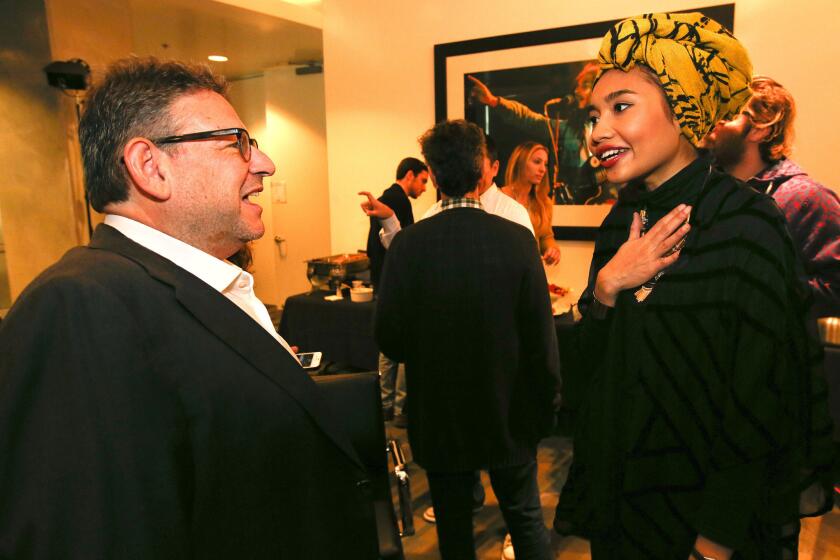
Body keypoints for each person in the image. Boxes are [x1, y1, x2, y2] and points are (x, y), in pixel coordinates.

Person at [0, 57, 378, 559]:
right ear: (150, 166)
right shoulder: (81, 305)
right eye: (237, 143)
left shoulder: (198, 288)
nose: (265, 164)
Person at [553, 13, 837, 559]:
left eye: (621, 107)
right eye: (593, 115)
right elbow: (590, 384)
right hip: (625, 511)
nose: (598, 131)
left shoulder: (748, 224)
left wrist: (714, 541)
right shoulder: (619, 225)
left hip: (709, 526)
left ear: (683, 110)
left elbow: (762, 400)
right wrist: (607, 290)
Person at [375, 120, 560, 560]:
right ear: (483, 170)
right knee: (525, 519)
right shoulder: (517, 240)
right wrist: (547, 403)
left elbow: (390, 338)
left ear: (434, 176)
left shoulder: (409, 245)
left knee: (454, 529)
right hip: (509, 409)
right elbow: (541, 335)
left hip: (440, 413)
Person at [703, 76, 840, 317]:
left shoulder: (806, 198)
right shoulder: (707, 194)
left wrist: (759, 292)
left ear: (759, 129)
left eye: (729, 114)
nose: (715, 123)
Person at [468, 63, 614, 204]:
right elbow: (529, 119)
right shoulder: (567, 130)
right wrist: (494, 101)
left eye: (585, 86)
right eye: (578, 86)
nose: (577, 91)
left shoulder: (615, 129)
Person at [364, 157, 428, 425]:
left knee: (387, 346)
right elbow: (405, 249)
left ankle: (385, 404)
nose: (425, 188)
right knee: (404, 345)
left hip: (383, 282)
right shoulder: (400, 201)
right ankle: (401, 408)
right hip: (399, 283)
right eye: (423, 181)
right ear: (410, 175)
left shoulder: (385, 197)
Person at [501, 141, 561, 264]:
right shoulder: (500, 197)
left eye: (545, 164)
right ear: (520, 162)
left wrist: (552, 250)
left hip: (531, 271)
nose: (543, 169)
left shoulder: (544, 203)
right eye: (537, 162)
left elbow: (546, 237)